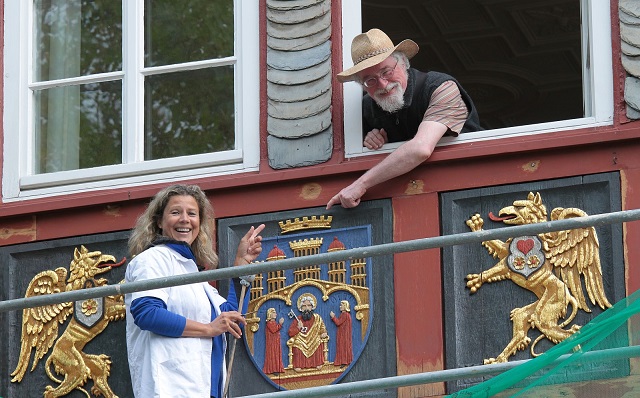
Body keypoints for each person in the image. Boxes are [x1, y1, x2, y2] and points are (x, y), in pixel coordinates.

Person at [124, 184, 265, 398]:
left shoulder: (194, 276)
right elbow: (147, 313)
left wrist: (240, 267)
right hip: (170, 388)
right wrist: (208, 329)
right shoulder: (152, 259)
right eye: (175, 212)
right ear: (159, 222)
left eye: (192, 214)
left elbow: (230, 318)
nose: (185, 219)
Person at [327, 28, 483, 209]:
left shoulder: (441, 87)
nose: (383, 85)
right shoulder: (367, 109)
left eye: (386, 72)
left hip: (470, 192)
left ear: (404, 63)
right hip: (409, 200)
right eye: (370, 80)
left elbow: (420, 149)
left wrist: (359, 185)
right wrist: (372, 142)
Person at [287, 294, 328, 371]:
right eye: (304, 306)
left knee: (318, 340)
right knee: (297, 344)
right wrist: (298, 328)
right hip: (301, 340)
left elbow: (322, 328)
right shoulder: (298, 319)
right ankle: (299, 364)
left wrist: (323, 333)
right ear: (301, 308)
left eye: (309, 305)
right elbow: (290, 333)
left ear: (312, 307)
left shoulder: (317, 318)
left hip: (313, 339)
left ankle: (317, 363)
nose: (306, 308)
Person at [262, 307, 285, 375]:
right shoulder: (269, 323)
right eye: (274, 313)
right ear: (270, 314)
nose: (276, 314)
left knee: (277, 355)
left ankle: (277, 368)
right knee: (272, 355)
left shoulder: (274, 322)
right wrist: (280, 324)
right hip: (271, 343)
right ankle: (272, 369)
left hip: (276, 342)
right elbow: (274, 330)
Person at [330, 300, 353, 367]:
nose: (340, 307)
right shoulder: (346, 315)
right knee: (344, 347)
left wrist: (333, 316)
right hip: (344, 334)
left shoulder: (345, 314)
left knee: (343, 348)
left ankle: (344, 361)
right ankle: (345, 361)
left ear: (345, 306)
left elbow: (338, 322)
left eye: (341, 305)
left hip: (343, 335)